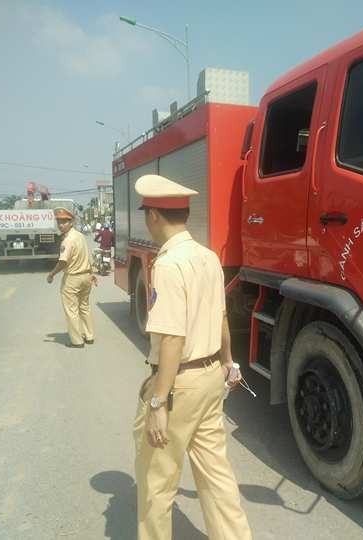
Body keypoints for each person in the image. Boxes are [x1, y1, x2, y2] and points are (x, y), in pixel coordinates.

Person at [133, 174, 252, 540]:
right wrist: (229, 363)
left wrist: (158, 401)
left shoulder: (168, 264)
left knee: (157, 482)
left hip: (179, 384)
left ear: (153, 216)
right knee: (216, 474)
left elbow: (171, 338)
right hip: (211, 376)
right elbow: (220, 317)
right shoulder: (208, 257)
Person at [46, 207, 96, 348]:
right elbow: (88, 255)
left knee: (72, 310)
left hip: (73, 278)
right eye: (59, 222)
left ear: (71, 222)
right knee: (84, 307)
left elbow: (63, 262)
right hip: (86, 276)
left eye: (64, 222)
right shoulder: (80, 236)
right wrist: (92, 274)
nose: (61, 225)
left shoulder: (68, 240)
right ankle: (89, 336)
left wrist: (52, 274)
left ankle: (77, 341)